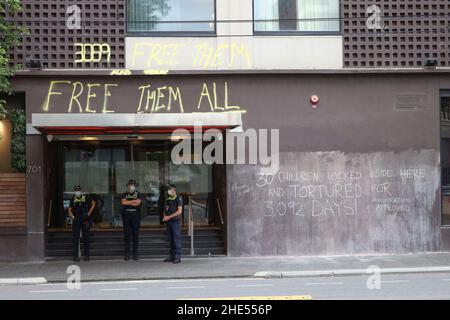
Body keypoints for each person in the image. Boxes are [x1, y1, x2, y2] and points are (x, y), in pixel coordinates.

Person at [67, 185, 95, 262]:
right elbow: (69, 209)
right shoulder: (73, 198)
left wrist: (89, 213)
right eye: (76, 190)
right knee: (75, 238)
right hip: (77, 218)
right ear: (74, 191)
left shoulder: (85, 197)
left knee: (86, 237)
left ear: (81, 190)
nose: (77, 191)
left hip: (85, 217)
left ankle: (87, 256)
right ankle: (76, 256)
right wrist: (72, 216)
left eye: (78, 190)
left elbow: (93, 203)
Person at [121, 179, 143, 261]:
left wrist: (129, 201)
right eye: (130, 184)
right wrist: (134, 201)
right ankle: (127, 254)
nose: (132, 186)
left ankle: (135, 254)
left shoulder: (138, 194)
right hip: (126, 215)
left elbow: (138, 203)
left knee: (135, 235)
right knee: (127, 235)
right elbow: (123, 203)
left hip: (135, 215)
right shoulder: (124, 194)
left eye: (133, 184)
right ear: (128, 186)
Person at [163, 184, 183, 264]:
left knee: (176, 239)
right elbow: (165, 209)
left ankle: (177, 257)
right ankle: (172, 256)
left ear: (174, 190)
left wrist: (169, 217)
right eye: (168, 190)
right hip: (168, 222)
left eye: (170, 190)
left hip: (175, 222)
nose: (169, 191)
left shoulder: (178, 198)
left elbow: (179, 211)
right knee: (170, 239)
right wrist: (164, 216)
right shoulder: (168, 199)